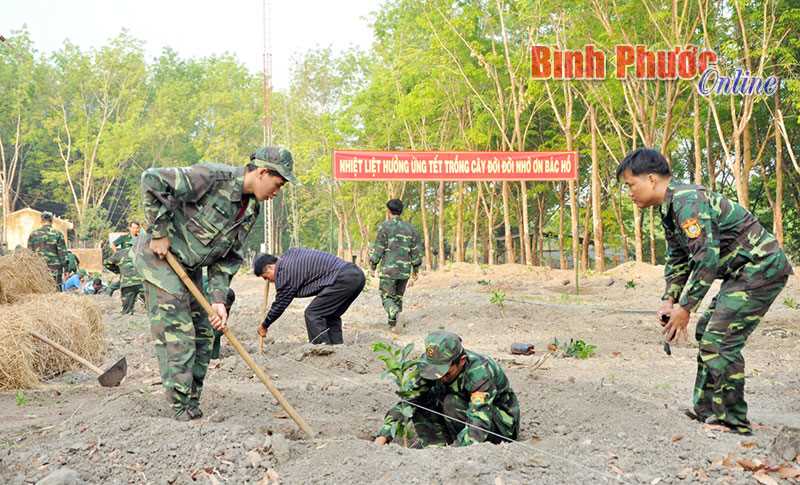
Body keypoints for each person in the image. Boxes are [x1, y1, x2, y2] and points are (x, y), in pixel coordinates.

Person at [616, 148, 793, 435]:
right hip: (741, 273)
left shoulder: (687, 201)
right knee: (707, 332)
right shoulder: (669, 208)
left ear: (651, 179)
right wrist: (669, 300)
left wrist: (686, 308)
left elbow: (706, 259)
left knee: (720, 339)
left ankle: (733, 421)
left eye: (630, 185)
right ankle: (707, 411)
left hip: (761, 267)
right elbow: (678, 258)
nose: (629, 193)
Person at [133, 146, 296, 421]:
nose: (277, 192)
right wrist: (159, 233)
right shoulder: (211, 178)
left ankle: (192, 403)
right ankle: (179, 409)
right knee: (179, 333)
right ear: (262, 173)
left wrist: (218, 299)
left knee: (204, 333)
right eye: (278, 184)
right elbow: (151, 179)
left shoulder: (250, 210)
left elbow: (228, 257)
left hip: (191, 267)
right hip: (160, 259)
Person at [374, 331, 520, 448]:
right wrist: (383, 436)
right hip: (461, 418)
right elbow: (409, 400)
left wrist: (452, 455)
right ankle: (435, 445)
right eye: (434, 371)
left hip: (498, 426)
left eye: (445, 373)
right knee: (423, 398)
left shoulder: (479, 372)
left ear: (461, 361)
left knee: (452, 402)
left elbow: (479, 422)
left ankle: (457, 446)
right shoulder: (430, 365)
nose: (439, 377)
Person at [254, 248, 366, 345]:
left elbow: (280, 304)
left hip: (343, 278)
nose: (268, 281)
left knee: (313, 313)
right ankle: (336, 349)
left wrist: (264, 325)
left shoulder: (284, 273)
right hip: (356, 275)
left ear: (270, 267)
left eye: (266, 277)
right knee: (330, 315)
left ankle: (322, 350)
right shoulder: (290, 254)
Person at [369, 199, 422, 328]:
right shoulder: (411, 229)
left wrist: (373, 265)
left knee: (387, 297)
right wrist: (416, 270)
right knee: (398, 298)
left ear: (388, 211)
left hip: (389, 270)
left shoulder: (384, 227)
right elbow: (415, 251)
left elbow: (379, 248)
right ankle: (394, 325)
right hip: (404, 271)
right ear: (401, 211)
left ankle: (394, 314)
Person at [27, 211, 68, 291]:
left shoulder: (33, 234)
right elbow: (63, 254)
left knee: (40, 291)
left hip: (38, 269)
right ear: (52, 220)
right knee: (55, 290)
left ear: (41, 220)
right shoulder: (58, 234)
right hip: (55, 269)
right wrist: (66, 269)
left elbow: (29, 254)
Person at [113, 221, 144, 315]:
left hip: (138, 265)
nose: (135, 230)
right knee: (126, 286)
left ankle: (139, 304)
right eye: (133, 228)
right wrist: (117, 254)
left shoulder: (140, 239)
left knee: (140, 285)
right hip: (126, 265)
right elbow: (113, 244)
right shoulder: (124, 238)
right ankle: (126, 306)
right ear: (129, 228)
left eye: (137, 228)